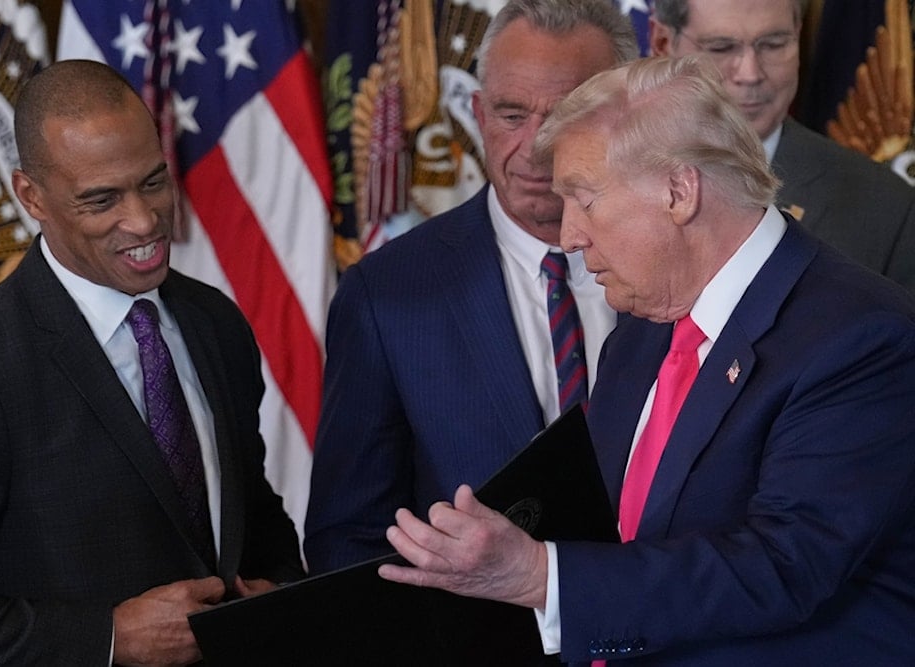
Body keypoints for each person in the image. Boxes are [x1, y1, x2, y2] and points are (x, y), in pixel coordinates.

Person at [378, 55, 915, 664]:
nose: (569, 236)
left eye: (584, 199)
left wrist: (542, 576)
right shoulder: (641, 330)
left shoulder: (861, 339)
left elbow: (784, 567)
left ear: (679, 192)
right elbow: (619, 533)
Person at [0, 60, 303, 665]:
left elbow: (253, 512)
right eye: (102, 200)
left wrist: (281, 594)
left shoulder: (215, 323)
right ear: (30, 196)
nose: (144, 221)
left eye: (153, 182)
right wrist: (108, 639)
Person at [304, 0, 638, 574]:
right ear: (477, 113)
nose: (534, 147)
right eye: (511, 115)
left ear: (625, 118)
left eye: (563, 117)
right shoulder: (386, 298)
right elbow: (351, 544)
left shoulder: (686, 269)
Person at [651, 0, 915, 293]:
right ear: (663, 44)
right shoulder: (614, 176)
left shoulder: (886, 208)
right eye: (721, 48)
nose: (750, 74)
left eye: (773, 44)